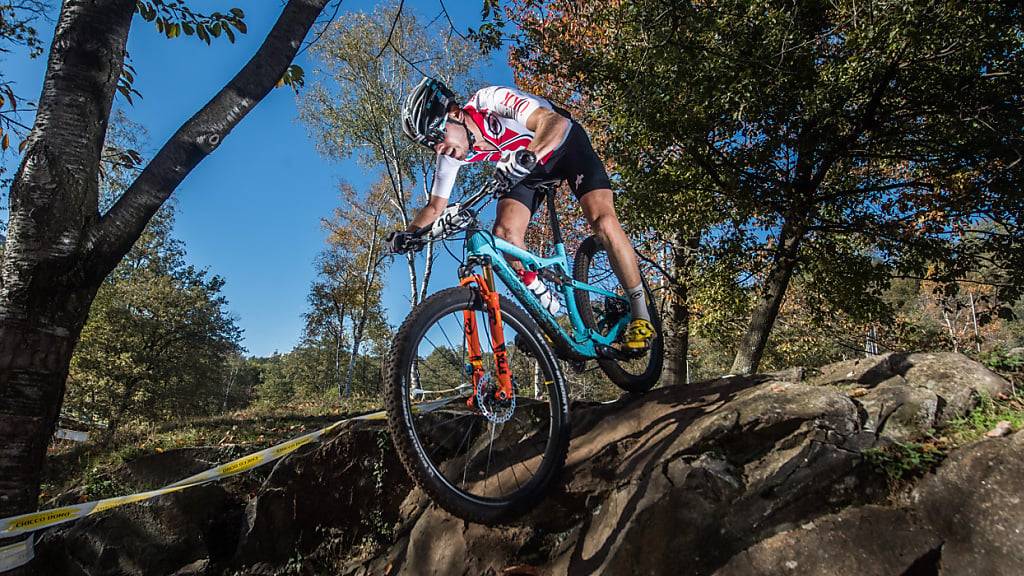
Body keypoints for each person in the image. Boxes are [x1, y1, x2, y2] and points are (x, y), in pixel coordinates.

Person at [388, 77, 655, 351]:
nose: (439, 149)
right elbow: (435, 207)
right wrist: (409, 235)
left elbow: (554, 123)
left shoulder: (490, 100)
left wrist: (530, 155)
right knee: (504, 235)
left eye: (437, 136)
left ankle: (640, 313)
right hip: (526, 167)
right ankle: (548, 312)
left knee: (603, 221)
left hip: (563, 144)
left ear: (455, 114)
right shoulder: (451, 153)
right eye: (430, 145)